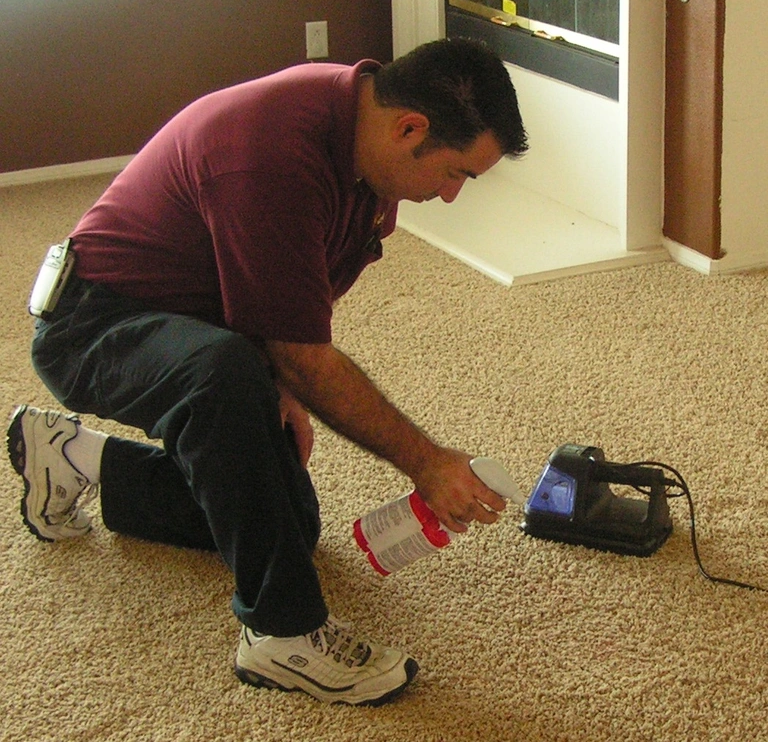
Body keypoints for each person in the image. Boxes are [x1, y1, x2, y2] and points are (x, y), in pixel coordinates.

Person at [7, 37, 528, 706]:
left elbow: (294, 306)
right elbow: (301, 353)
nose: (452, 195)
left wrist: (282, 388)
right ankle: (281, 635)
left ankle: (74, 459)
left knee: (288, 524)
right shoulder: (274, 153)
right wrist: (426, 461)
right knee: (221, 376)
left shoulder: (367, 156)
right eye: (458, 173)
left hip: (199, 326)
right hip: (93, 326)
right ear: (410, 129)